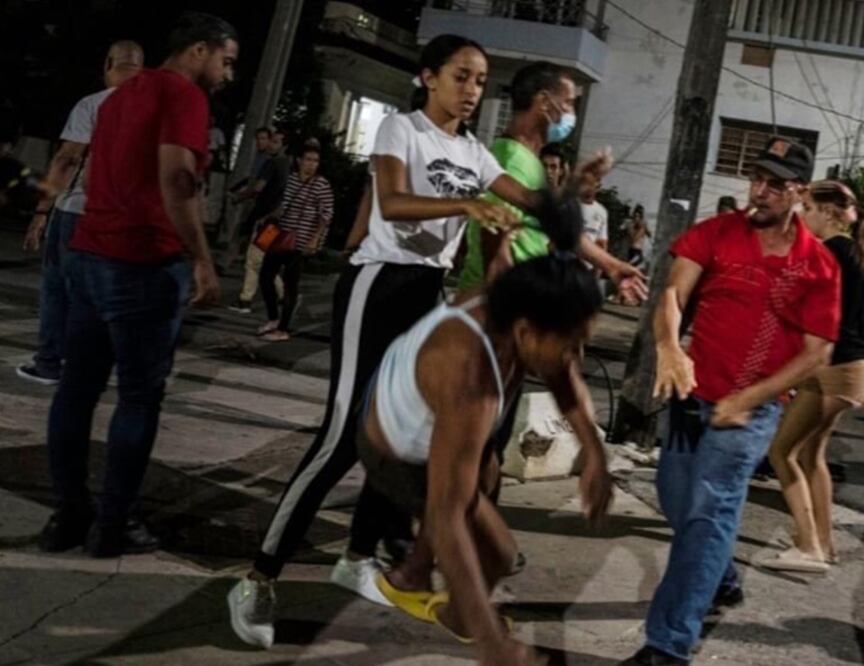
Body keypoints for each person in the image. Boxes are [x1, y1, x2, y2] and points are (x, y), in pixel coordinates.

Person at [227, 34, 611, 650]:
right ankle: (257, 577)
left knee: (404, 438)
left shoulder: (477, 152)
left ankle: (356, 557)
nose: (472, 89)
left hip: (427, 295)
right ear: (429, 77)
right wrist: (469, 204)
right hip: (378, 286)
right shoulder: (400, 132)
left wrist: (572, 197)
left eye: (481, 80)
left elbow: (537, 207)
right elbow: (395, 201)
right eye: (461, 76)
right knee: (338, 438)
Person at [619, 137, 842, 666]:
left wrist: (753, 397)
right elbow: (673, 293)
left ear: (799, 192)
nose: (759, 192)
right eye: (756, 178)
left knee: (706, 512)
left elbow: (817, 351)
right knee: (677, 501)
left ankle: (668, 644)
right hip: (688, 397)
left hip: (750, 413)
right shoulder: (717, 233)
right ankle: (719, 576)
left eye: (775, 184)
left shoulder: (817, 265)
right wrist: (670, 347)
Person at [361, 191, 609, 665]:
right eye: (571, 345)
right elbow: (448, 514)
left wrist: (595, 454)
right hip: (394, 452)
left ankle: (436, 595)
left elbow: (562, 374)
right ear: (524, 333)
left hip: (431, 421)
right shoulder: (468, 372)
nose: (576, 359)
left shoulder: (520, 301)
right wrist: (495, 649)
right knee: (495, 553)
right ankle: (455, 612)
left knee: (485, 481)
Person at [39, 12, 235, 558]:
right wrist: (201, 258)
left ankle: (68, 515)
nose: (228, 73)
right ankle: (113, 524)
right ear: (199, 51)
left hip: (89, 254)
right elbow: (176, 179)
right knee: (138, 397)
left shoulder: (119, 96)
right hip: (144, 261)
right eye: (226, 59)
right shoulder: (184, 97)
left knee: (76, 389)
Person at [755, 181, 864, 573]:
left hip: (834, 368)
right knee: (812, 455)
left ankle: (809, 545)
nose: (803, 216)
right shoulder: (860, 254)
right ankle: (824, 544)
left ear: (830, 213)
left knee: (782, 452)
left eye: (809, 208)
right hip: (852, 368)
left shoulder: (829, 252)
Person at [457, 61, 645, 298]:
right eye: (567, 103)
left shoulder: (530, 161)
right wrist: (503, 313)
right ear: (544, 102)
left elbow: (556, 223)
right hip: (499, 304)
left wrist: (611, 265)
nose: (571, 114)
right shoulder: (510, 159)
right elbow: (493, 237)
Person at [17, 41, 144, 386]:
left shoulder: (93, 104)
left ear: (108, 63)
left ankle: (48, 363)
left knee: (58, 287)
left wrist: (41, 210)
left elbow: (67, 159)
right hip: (124, 218)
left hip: (76, 211)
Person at [255, 146, 334, 342]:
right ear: (299, 160)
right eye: (308, 159)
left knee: (291, 284)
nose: (311, 164)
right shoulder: (290, 180)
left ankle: (283, 328)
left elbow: (326, 215)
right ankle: (273, 317)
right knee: (265, 276)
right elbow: (282, 203)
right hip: (280, 235)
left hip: (300, 241)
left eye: (315, 161)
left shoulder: (321, 185)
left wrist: (315, 239)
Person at [229, 129, 288, 313]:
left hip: (266, 219)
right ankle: (284, 295)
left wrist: (239, 197)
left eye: (276, 142)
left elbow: (257, 188)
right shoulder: (289, 165)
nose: (271, 144)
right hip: (277, 219)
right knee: (260, 259)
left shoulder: (272, 163)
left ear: (284, 146)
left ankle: (245, 301)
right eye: (271, 141)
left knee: (254, 260)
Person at [625, 203, 652, 268]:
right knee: (631, 267)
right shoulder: (631, 225)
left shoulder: (642, 225)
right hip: (632, 250)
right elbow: (633, 238)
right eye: (636, 216)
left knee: (634, 268)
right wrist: (642, 228)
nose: (637, 218)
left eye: (639, 216)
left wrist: (645, 228)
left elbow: (650, 235)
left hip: (638, 250)